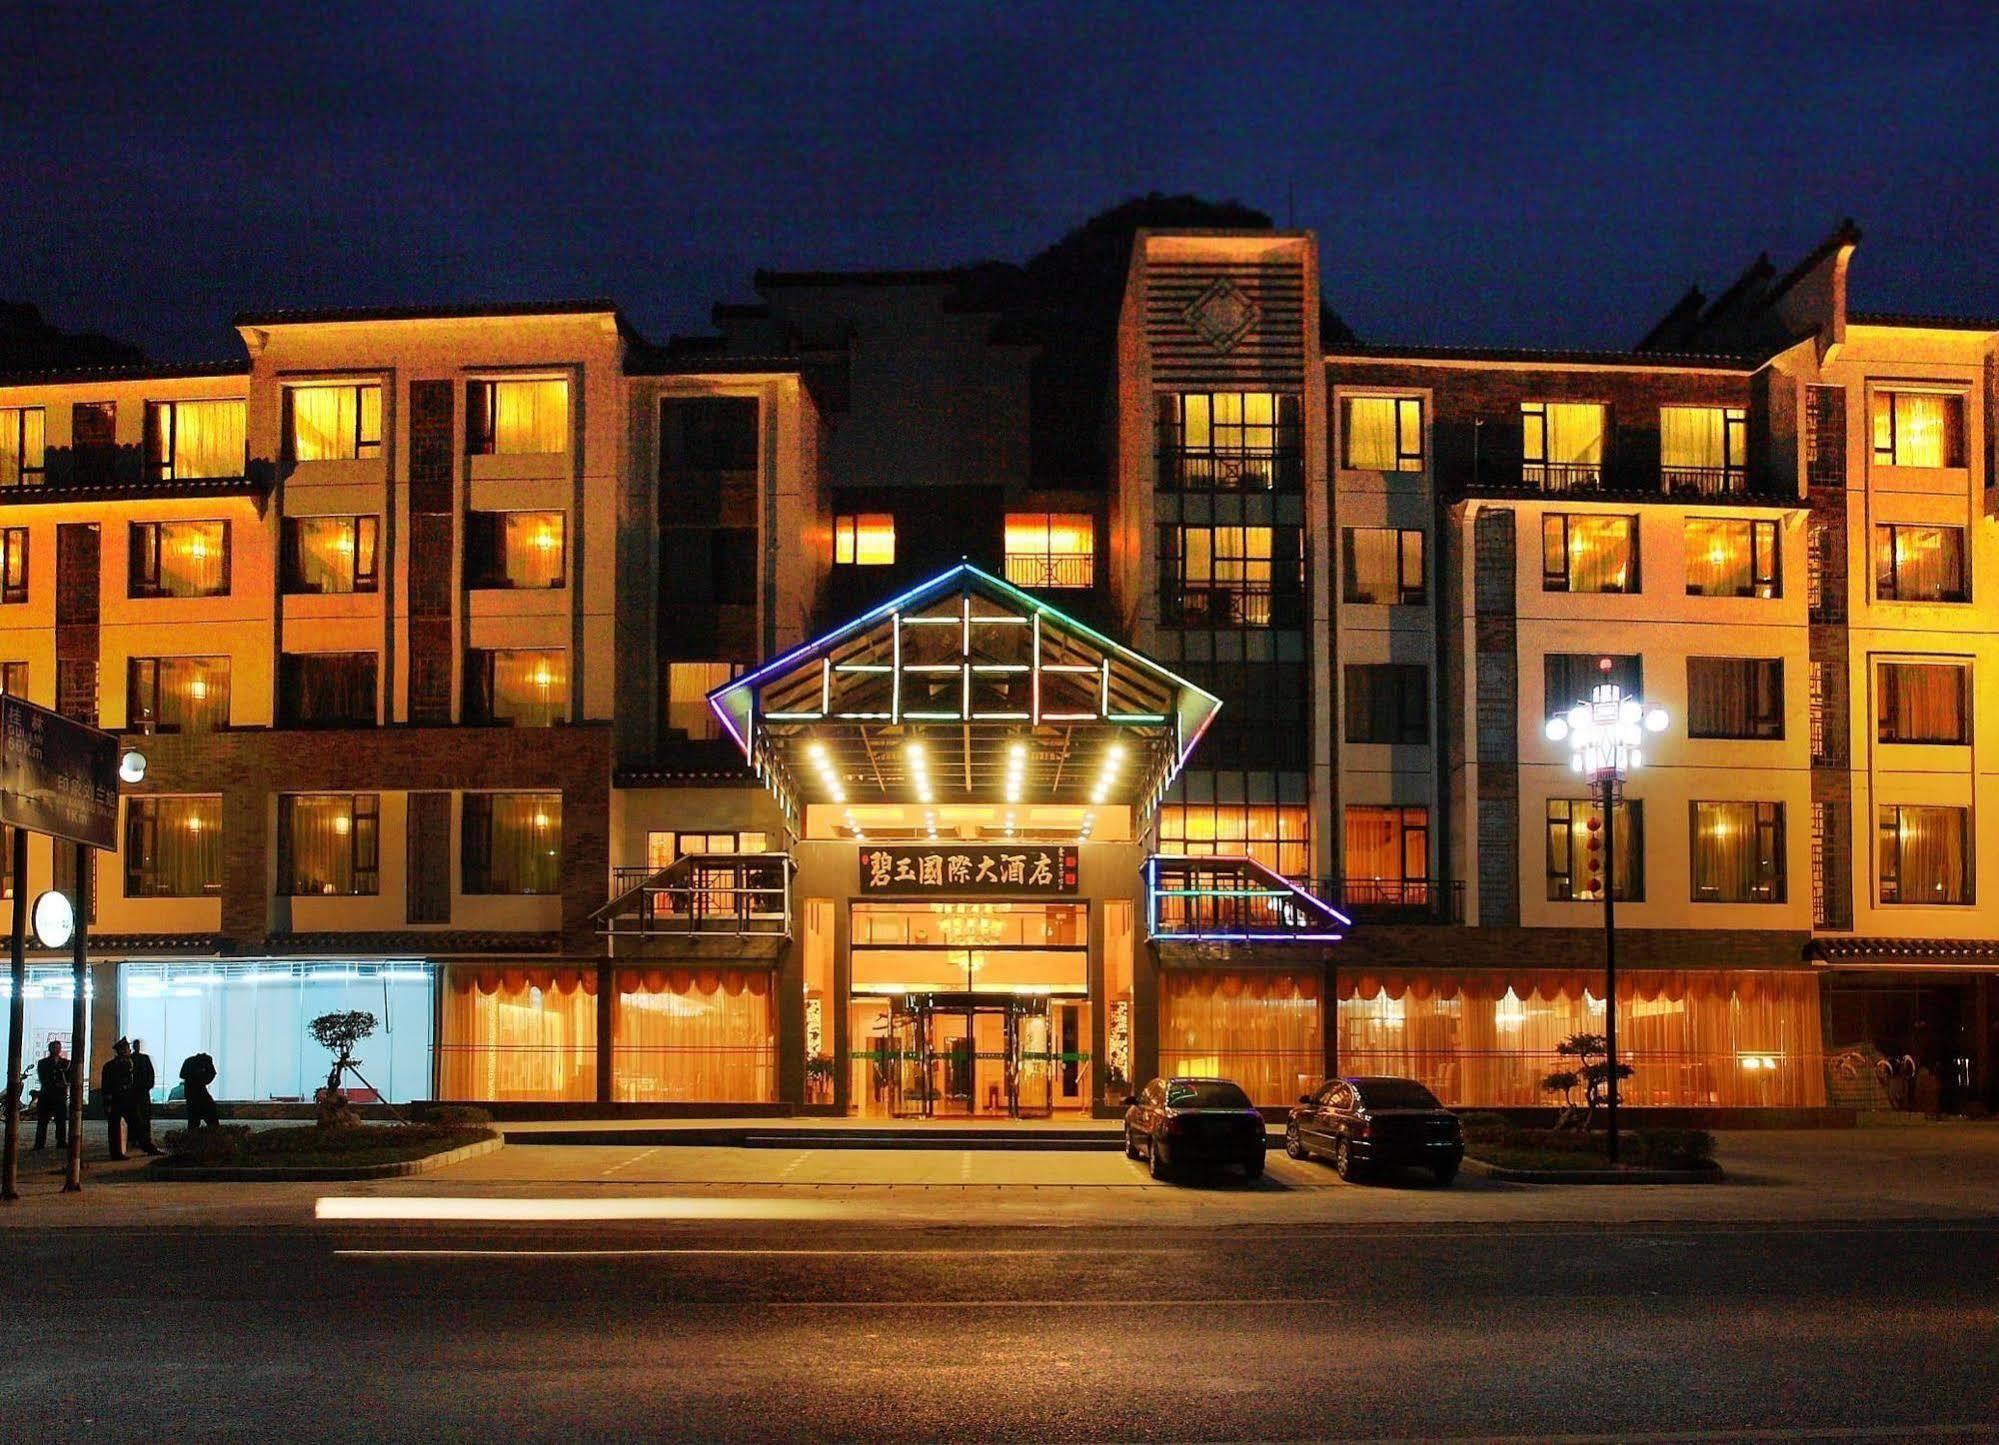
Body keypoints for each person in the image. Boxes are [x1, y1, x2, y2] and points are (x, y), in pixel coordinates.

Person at [32, 1040, 70, 1151]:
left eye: (58, 1048)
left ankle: (61, 1141)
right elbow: (43, 1078)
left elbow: (69, 1077)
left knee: (61, 1120)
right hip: (46, 1095)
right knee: (42, 1121)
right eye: (54, 1048)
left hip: (60, 1096)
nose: (57, 1050)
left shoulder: (66, 1063)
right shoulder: (42, 1063)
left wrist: (64, 1085)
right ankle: (39, 1143)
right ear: (50, 1049)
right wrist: (56, 1084)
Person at [126, 1038, 161, 1155]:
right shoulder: (129, 1059)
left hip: (142, 1092)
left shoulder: (143, 1058)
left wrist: (147, 1086)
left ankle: (142, 1138)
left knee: (144, 1116)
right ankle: (135, 1139)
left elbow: (151, 1075)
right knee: (135, 1117)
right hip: (134, 1093)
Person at [100, 1039, 134, 1160]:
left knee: (132, 1124)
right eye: (126, 1049)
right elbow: (106, 1086)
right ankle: (116, 1152)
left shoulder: (130, 1063)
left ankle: (125, 1148)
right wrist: (107, 1103)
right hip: (116, 1099)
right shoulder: (111, 1066)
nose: (128, 1051)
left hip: (127, 1099)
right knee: (115, 1127)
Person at [179, 1051, 220, 1131]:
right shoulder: (204, 1062)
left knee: (193, 1121)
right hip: (199, 1093)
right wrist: (202, 1080)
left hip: (191, 1093)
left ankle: (192, 1138)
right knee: (211, 1118)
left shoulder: (189, 1061)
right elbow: (212, 1074)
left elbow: (182, 1075)